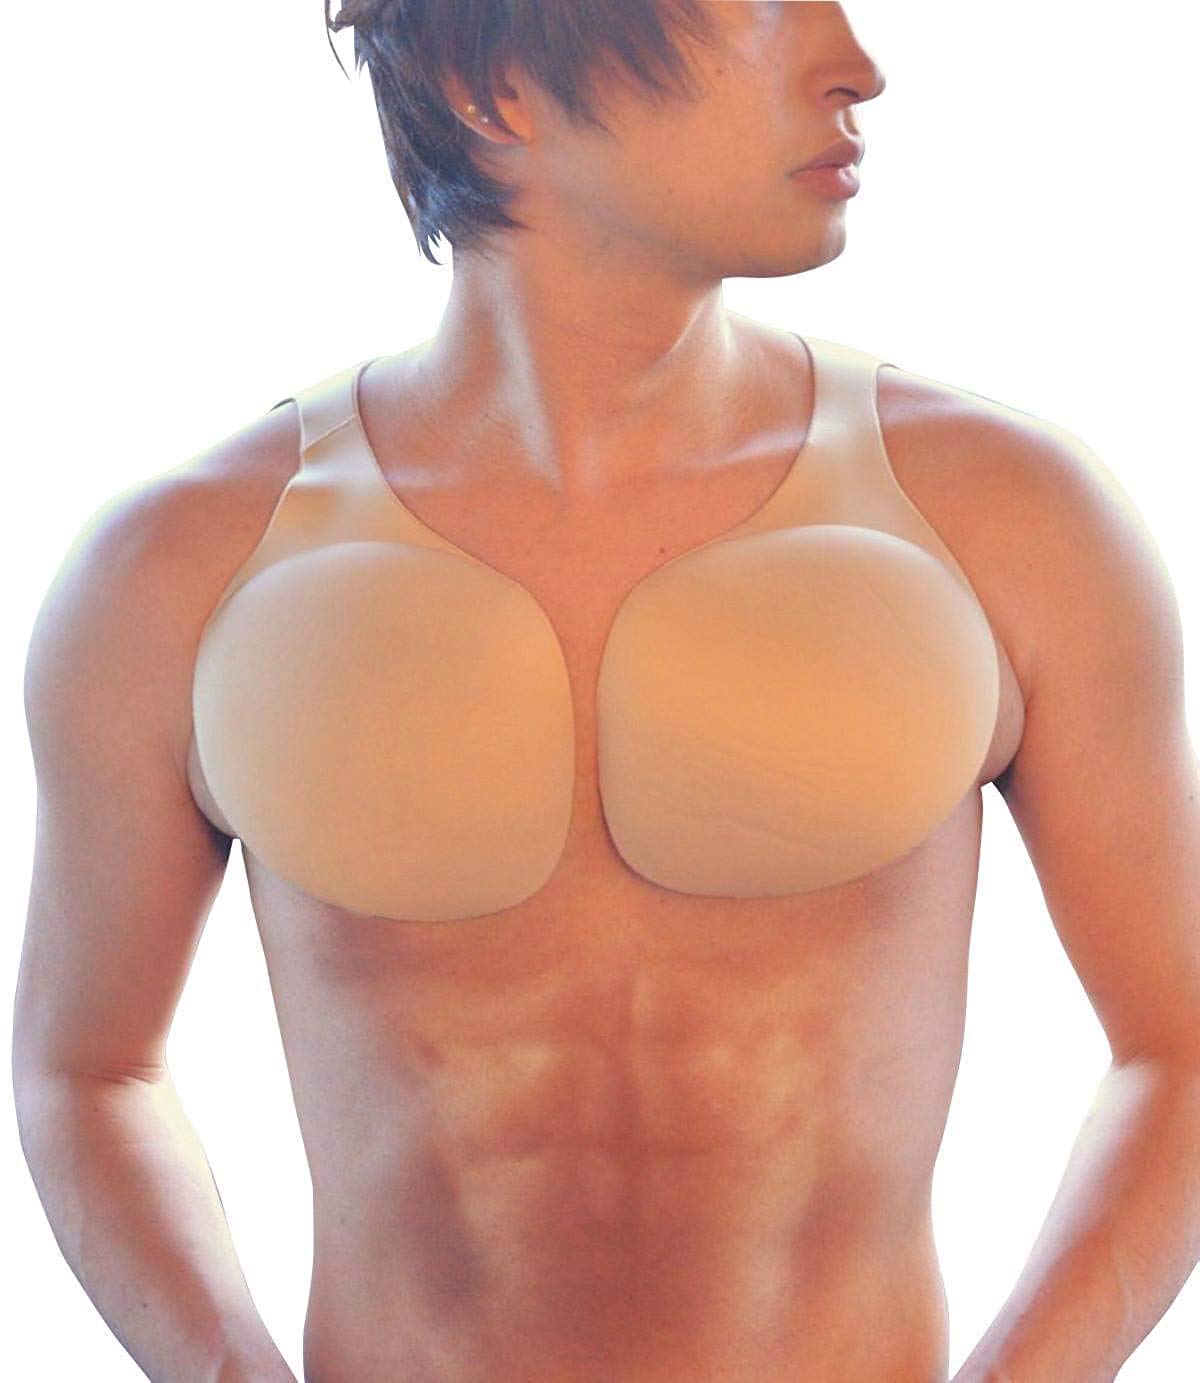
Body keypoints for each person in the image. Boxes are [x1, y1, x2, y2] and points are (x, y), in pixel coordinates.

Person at [13, 2, 1200, 1380]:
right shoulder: (176, 571)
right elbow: (86, 1070)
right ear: (496, 85)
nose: (857, 66)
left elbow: (1181, 1048)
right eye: (762, 6)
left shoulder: (1009, 522)